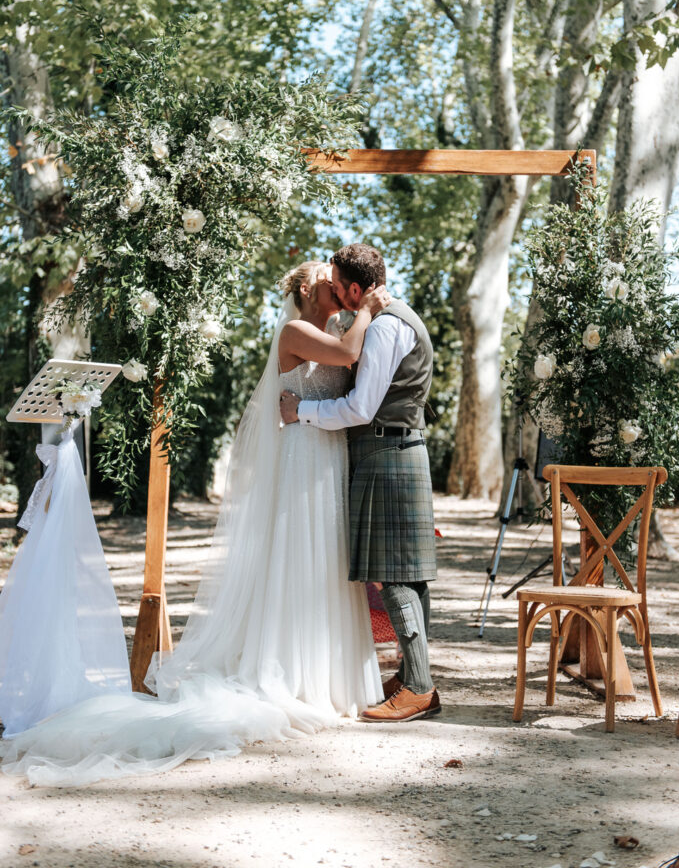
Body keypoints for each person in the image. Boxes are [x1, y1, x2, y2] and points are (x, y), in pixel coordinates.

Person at [0, 261, 388, 786]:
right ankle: (298, 672)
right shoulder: (298, 330)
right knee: (302, 551)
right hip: (303, 451)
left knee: (327, 557)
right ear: (306, 288)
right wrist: (366, 308)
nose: (340, 289)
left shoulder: (339, 324)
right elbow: (347, 357)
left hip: (329, 450)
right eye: (330, 281)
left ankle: (331, 673)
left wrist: (358, 315)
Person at [280, 243, 439, 723]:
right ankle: (417, 678)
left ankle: (419, 688)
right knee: (409, 574)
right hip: (396, 449)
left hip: (386, 451)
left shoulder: (385, 326)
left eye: (339, 285)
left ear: (355, 288)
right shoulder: (391, 318)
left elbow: (359, 408)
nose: (335, 293)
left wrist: (300, 411)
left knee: (393, 574)